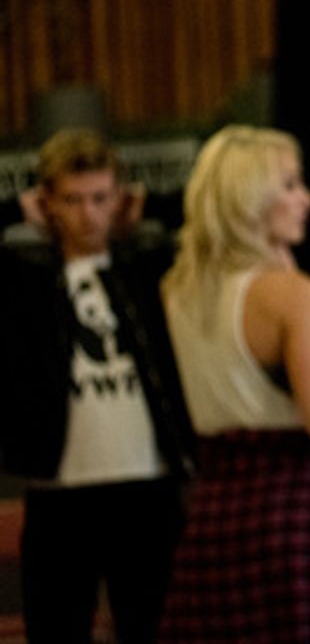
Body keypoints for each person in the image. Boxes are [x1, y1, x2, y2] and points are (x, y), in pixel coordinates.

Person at [0, 128, 194, 644]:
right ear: (48, 202)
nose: (88, 214)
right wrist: (16, 213)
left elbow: (205, 217)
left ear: (118, 199)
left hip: (147, 483)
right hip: (59, 488)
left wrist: (146, 204)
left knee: (156, 626)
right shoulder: (25, 280)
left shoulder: (147, 267)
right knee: (56, 627)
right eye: (72, 199)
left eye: (101, 198)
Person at [157, 125, 310, 642]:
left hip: (214, 515)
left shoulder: (180, 290)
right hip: (293, 515)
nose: (307, 198)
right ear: (249, 199)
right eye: (289, 184)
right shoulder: (288, 294)